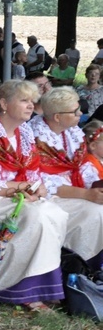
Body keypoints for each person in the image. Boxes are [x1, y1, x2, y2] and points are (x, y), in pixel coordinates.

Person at [0, 80, 67, 309]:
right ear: (5, 103)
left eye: (32, 101)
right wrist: (23, 188)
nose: (30, 106)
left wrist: (37, 189)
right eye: (24, 100)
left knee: (54, 213)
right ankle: (12, 287)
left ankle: (40, 284)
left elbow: (33, 174)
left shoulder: (23, 133)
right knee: (34, 217)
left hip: (10, 196)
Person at [29, 87, 103, 273]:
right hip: (44, 197)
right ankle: (76, 267)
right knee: (95, 212)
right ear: (57, 117)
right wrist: (86, 194)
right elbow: (44, 182)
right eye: (75, 111)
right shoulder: (36, 137)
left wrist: (96, 186)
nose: (81, 113)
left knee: (98, 209)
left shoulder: (71, 132)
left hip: (70, 191)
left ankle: (86, 266)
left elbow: (82, 166)